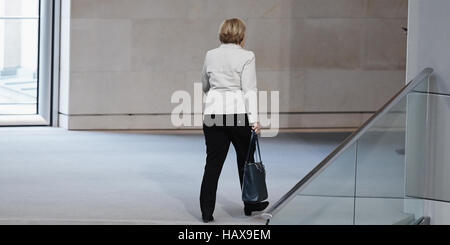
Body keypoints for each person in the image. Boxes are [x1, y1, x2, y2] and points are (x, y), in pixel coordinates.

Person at [199, 18, 269, 223]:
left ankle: (206, 212)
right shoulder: (247, 56)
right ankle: (251, 204)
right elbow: (249, 90)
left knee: (212, 164)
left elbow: (204, 84)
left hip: (212, 115)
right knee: (245, 161)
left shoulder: (210, 55)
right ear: (242, 35)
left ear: (222, 33)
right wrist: (255, 120)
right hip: (238, 116)